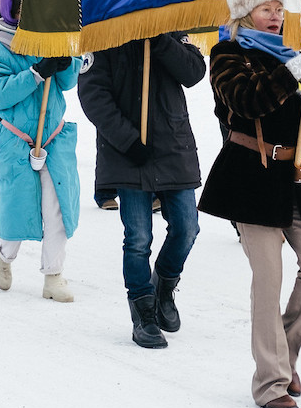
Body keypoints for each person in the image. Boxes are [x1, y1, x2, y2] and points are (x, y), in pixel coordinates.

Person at [199, 0, 301, 408]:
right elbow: (246, 101)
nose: (276, 16)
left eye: (279, 8)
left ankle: (286, 353)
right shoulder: (226, 54)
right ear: (245, 14)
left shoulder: (293, 55)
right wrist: (289, 75)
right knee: (268, 280)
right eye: (266, 9)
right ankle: (269, 381)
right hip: (252, 178)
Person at [80, 32, 207, 349]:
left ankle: (164, 283)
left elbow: (194, 73)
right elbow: (93, 96)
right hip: (128, 154)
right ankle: (143, 311)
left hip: (173, 147)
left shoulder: (172, 32)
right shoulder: (104, 35)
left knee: (187, 228)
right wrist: (127, 140)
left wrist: (163, 42)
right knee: (138, 238)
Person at [0, 0, 80, 303]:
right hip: (17, 140)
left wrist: (68, 59)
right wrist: (35, 73)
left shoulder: (49, 40)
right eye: (24, 8)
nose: (30, 14)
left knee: (57, 209)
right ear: (12, 10)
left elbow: (66, 82)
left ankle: (54, 275)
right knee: (18, 208)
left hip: (54, 139)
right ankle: (3, 255)